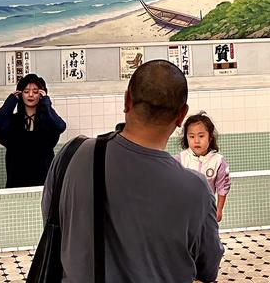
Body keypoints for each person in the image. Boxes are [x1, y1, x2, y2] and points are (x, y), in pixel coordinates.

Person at [42, 60, 222, 282]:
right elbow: (208, 267)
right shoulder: (196, 190)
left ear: (127, 100)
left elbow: (53, 224)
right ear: (181, 116)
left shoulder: (72, 154)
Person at [0, 73, 66, 188]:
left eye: (35, 91)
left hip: (44, 184)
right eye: (26, 91)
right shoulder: (13, 122)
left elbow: (60, 127)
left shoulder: (47, 122)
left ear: (42, 95)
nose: (30, 95)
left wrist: (47, 105)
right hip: (16, 183)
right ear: (20, 94)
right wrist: (10, 102)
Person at [177, 112, 231, 222]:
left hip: (207, 212)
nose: (196, 141)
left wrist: (219, 210)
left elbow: (222, 188)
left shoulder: (218, 161)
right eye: (191, 136)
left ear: (210, 137)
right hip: (185, 213)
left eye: (201, 136)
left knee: (208, 238)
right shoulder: (180, 159)